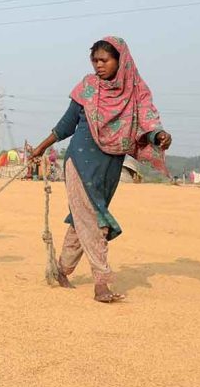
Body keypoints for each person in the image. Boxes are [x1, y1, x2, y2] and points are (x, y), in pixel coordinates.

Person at [30, 36, 172, 303]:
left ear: (121, 60)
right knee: (96, 222)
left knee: (82, 220)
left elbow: (148, 120)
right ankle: (101, 283)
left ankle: (62, 270)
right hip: (81, 161)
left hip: (111, 163)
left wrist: (159, 135)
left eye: (104, 60)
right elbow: (66, 124)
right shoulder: (88, 88)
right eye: (94, 61)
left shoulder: (136, 90)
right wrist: (41, 147)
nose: (98, 66)